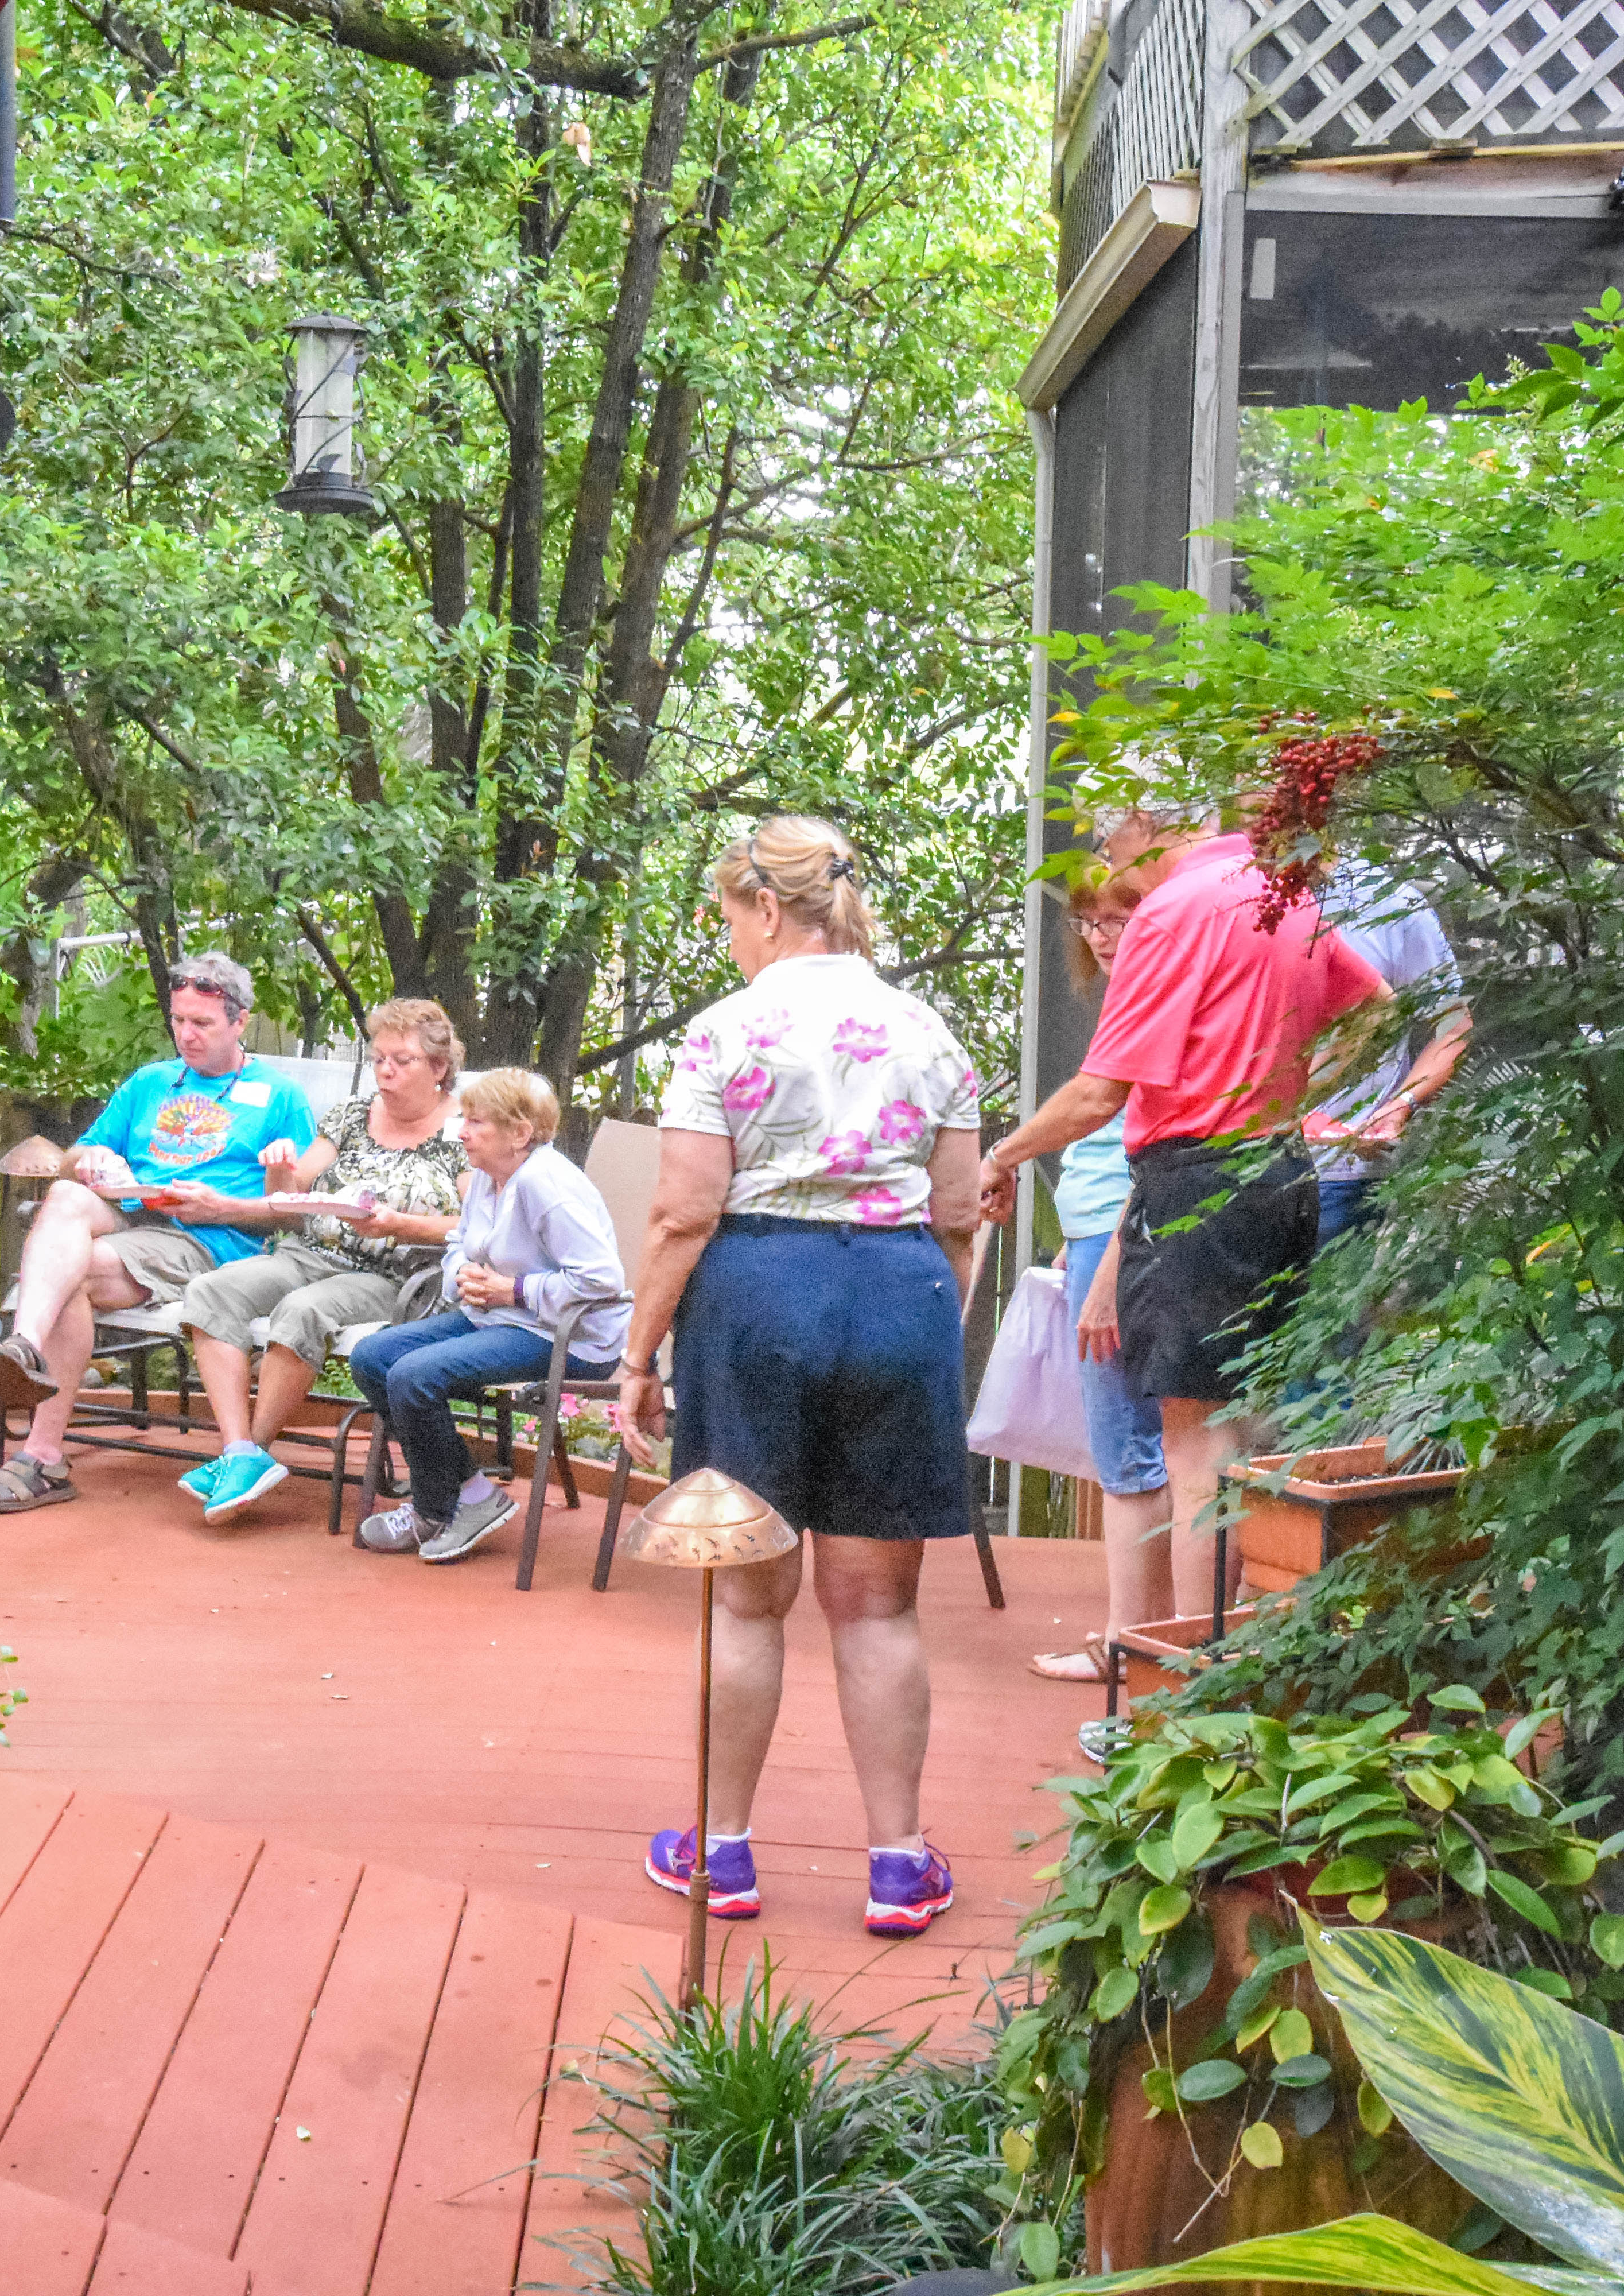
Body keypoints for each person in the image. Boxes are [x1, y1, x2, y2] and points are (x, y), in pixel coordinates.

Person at [620, 816, 984, 1939]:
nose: (732, 939)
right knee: (878, 1604)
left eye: (733, 917)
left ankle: (722, 1852)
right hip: (898, 1295)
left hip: (757, 1300)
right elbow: (959, 1216)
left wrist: (636, 1354)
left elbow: (684, 1212)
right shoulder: (930, 1031)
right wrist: (928, 1331)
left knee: (745, 1593)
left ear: (769, 909)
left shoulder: (725, 1031)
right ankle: (898, 1865)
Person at [976, 803, 1394, 1622]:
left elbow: (1100, 1092)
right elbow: (1377, 1008)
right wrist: (1296, 1093)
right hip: (1282, 1173)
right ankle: (1222, 1650)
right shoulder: (1279, 891)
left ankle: (1193, 1668)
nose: (1107, 860)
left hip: (1200, 1183)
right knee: (1245, 1424)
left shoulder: (1174, 908)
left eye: (1107, 841)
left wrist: (1004, 1155)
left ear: (1146, 823)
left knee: (1197, 1446)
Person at [0, 951, 317, 1514]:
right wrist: (93, 1161)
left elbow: (298, 1211)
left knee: (72, 1276)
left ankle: (42, 1456)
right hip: (132, 1212)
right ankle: (23, 1347)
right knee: (66, 1195)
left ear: (240, 1021)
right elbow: (71, 1158)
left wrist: (221, 1207)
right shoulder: (151, 1082)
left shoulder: (280, 1097)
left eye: (202, 1023)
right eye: (178, 1020)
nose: (187, 1035)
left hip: (205, 1241)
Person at [179, 999, 471, 1525]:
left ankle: (251, 1454)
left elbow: (478, 1225)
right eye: (379, 1058)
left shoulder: (463, 1132)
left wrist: (400, 1224)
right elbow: (291, 1195)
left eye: (401, 1060)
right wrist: (279, 1167)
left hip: (396, 1275)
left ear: (439, 1067)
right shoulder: (353, 1114)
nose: (385, 1071)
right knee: (211, 1290)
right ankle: (240, 1453)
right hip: (310, 1253)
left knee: (303, 1310)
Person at [347, 1067, 625, 1564]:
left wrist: (514, 1289)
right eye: (464, 1120)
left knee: (414, 1375)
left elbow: (602, 1281)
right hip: (501, 1317)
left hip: (571, 1337)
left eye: (476, 1122)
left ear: (520, 1133)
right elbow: (459, 1242)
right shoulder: (488, 1176)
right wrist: (463, 1274)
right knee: (373, 1357)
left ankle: (433, 1511)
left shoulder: (546, 1185)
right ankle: (472, 1493)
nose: (461, 1132)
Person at [1026, 871, 1171, 1686]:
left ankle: (1130, 1644)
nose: (1102, 937)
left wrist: (1111, 1263)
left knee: (1130, 1452)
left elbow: (1154, 1151)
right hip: (1099, 1232)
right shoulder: (1130, 997)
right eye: (1089, 923)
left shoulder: (1157, 999)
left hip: (1125, 1239)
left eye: (1120, 919)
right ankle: (1146, 1636)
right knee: (1143, 1445)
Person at [1297, 857, 1470, 1243]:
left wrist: (1399, 1106)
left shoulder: (1389, 901)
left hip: (1342, 1172)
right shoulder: (1233, 895)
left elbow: (1453, 1029)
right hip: (1230, 1162)